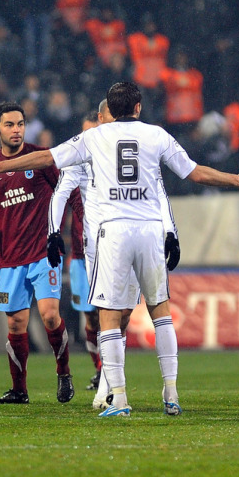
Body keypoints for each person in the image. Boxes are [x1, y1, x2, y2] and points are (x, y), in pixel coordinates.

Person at [0, 81, 239, 417]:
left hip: (113, 233)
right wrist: (236, 180)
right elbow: (194, 173)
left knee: (108, 315)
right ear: (138, 108)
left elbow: (45, 157)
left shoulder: (93, 137)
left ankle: (118, 399)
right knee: (160, 312)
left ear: (109, 110)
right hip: (150, 231)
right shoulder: (157, 135)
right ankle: (172, 393)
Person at [48, 100, 179, 409]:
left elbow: (158, 191)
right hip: (92, 248)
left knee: (119, 317)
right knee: (101, 317)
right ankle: (113, 386)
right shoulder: (84, 154)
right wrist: (53, 231)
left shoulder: (127, 152)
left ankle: (109, 389)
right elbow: (61, 194)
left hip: (122, 240)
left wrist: (169, 230)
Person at [0, 101, 80, 405]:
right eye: (9, 124)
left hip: (43, 254)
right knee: (15, 325)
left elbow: (69, 192)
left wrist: (65, 232)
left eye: (20, 124)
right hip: (10, 262)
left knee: (49, 316)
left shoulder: (41, 157)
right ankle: (19, 390)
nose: (16, 130)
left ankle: (63, 372)